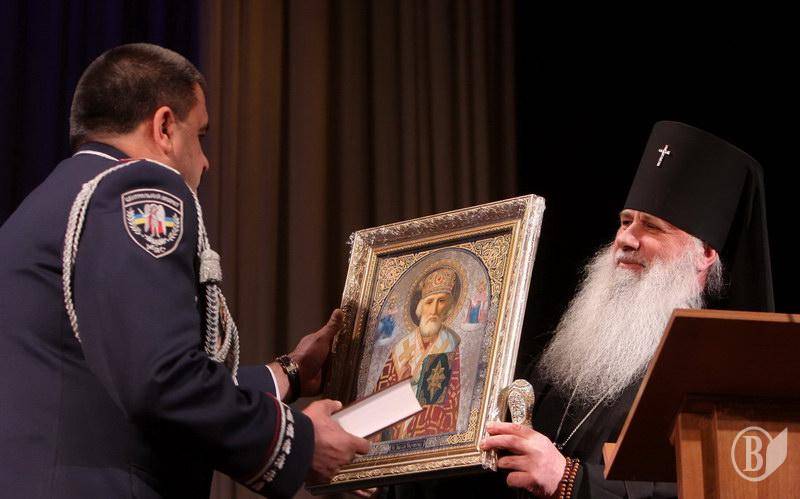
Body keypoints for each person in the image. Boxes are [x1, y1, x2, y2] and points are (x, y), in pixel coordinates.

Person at [0, 43, 369, 499]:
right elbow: (163, 379)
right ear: (165, 127)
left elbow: (124, 375)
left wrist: (289, 374)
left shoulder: (41, 207)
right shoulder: (137, 188)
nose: (206, 161)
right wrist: (301, 442)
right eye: (201, 135)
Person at [391, 121, 774, 498]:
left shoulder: (716, 371)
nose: (626, 239)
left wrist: (571, 480)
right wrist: (390, 475)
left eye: (652, 227)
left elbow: (712, 485)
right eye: (625, 222)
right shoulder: (580, 350)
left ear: (704, 254)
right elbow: (491, 456)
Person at [374, 266, 462, 440]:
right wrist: (400, 383)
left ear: (450, 307)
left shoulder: (450, 343)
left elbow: (450, 400)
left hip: (427, 434)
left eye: (441, 301)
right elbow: (379, 402)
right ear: (420, 307)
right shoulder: (401, 347)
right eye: (429, 302)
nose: (434, 310)